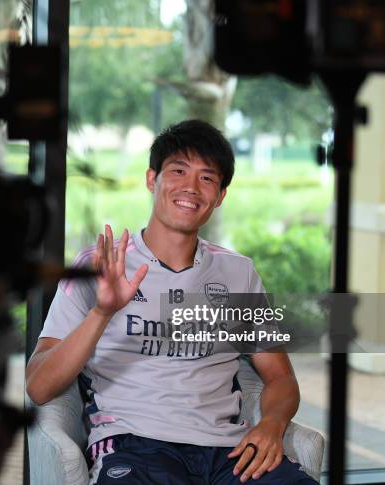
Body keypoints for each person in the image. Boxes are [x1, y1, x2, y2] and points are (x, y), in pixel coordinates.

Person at [26, 120, 317, 484]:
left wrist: (272, 426)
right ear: (153, 179)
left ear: (220, 195)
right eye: (178, 170)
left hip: (229, 452)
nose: (191, 188)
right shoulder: (98, 265)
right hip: (135, 446)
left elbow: (281, 377)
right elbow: (39, 386)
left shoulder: (238, 273)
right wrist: (102, 312)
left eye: (207, 178)